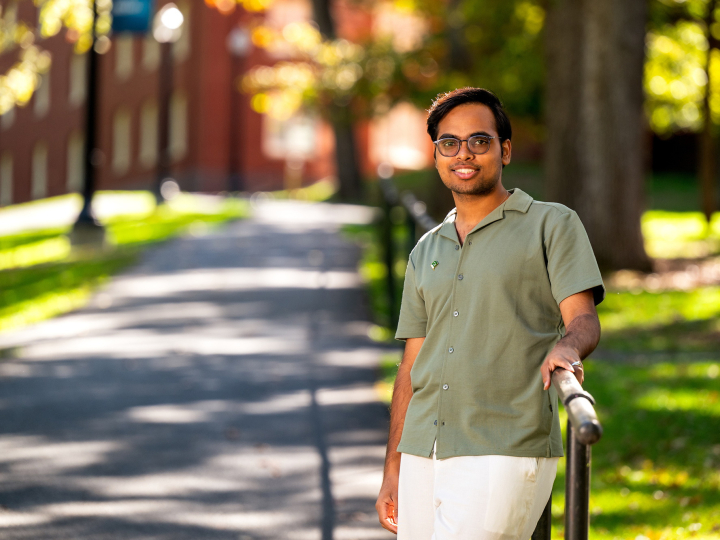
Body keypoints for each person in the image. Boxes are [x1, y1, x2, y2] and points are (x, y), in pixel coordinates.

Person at [375, 87, 605, 540]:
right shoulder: (427, 249)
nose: (464, 154)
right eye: (449, 143)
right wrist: (393, 465)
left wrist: (569, 344)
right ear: (437, 154)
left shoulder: (551, 224)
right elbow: (412, 366)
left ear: (504, 149)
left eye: (479, 141)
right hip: (424, 449)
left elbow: (583, 319)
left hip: (505, 445)